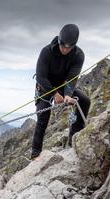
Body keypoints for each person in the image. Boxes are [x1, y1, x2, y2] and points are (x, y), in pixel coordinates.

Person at [31, 24, 91, 159]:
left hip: (64, 86)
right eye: (63, 45)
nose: (65, 49)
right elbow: (41, 77)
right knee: (43, 117)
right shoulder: (46, 51)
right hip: (45, 87)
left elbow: (72, 78)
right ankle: (35, 154)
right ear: (59, 41)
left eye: (69, 47)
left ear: (74, 45)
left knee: (84, 101)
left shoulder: (78, 55)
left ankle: (74, 139)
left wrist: (68, 95)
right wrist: (54, 94)